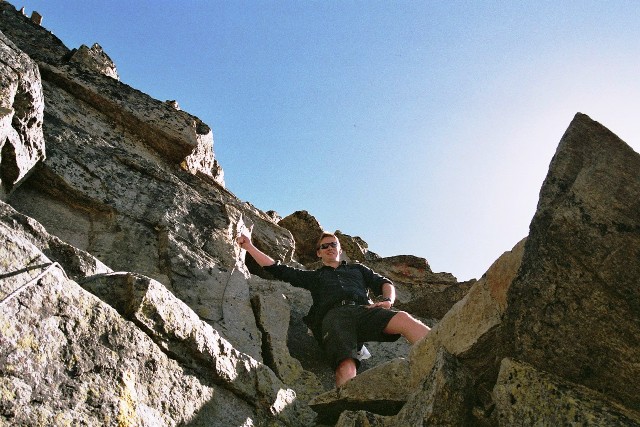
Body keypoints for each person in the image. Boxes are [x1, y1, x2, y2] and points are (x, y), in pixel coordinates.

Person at [237, 231, 430, 387]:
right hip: (335, 317)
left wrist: (388, 300)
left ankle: (442, 348)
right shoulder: (315, 277)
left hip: (364, 311)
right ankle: (349, 409)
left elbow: (385, 283)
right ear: (319, 253)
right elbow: (278, 269)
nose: (330, 248)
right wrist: (249, 246)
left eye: (333, 244)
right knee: (346, 362)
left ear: (340, 248)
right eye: (324, 246)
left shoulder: (358, 269)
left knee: (403, 318)